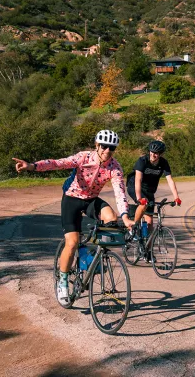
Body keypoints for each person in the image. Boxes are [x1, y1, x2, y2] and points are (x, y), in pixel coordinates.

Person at [12, 130, 134, 306]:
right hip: (72, 198)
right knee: (72, 242)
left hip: (91, 200)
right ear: (97, 145)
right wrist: (32, 166)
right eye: (105, 146)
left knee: (111, 217)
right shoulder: (83, 157)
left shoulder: (114, 167)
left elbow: (120, 192)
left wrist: (126, 216)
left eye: (112, 148)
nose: (108, 150)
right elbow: (57, 164)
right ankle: (63, 282)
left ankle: (93, 255)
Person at [126, 140, 181, 254]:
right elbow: (138, 179)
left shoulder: (163, 163)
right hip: (135, 187)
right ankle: (134, 228)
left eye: (156, 153)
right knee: (143, 204)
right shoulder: (142, 161)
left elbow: (170, 180)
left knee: (150, 221)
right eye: (151, 152)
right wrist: (139, 197)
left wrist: (176, 197)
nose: (153, 155)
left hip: (149, 191)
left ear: (160, 154)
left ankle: (148, 252)